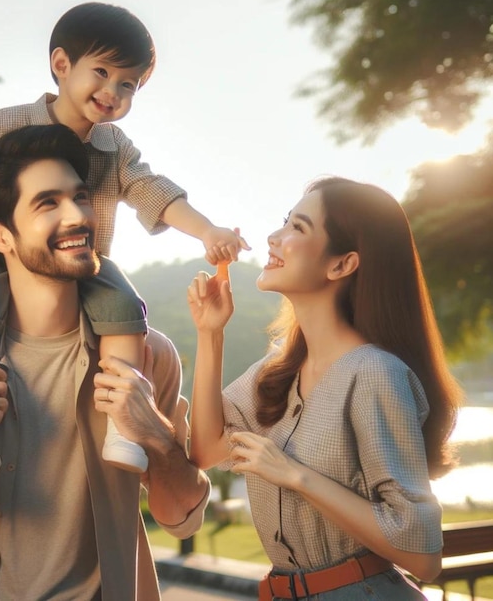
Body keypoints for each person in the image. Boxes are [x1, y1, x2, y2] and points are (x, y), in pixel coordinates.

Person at [0, 124, 210, 600]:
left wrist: (155, 433)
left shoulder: (149, 355)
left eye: (81, 197)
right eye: (47, 203)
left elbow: (181, 516)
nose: (77, 216)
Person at [0, 0, 249, 495]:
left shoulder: (115, 147)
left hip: (83, 264)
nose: (112, 92)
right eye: (101, 73)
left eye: (127, 84)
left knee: (126, 306)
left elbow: (154, 191)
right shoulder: (9, 123)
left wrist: (209, 231)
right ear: (62, 66)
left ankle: (124, 426)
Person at [187, 176, 464, 600]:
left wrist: (296, 475)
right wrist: (210, 333)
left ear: (342, 264)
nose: (273, 237)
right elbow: (206, 451)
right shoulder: (278, 370)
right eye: (284, 222)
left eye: (298, 228)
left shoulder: (373, 372)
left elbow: (424, 558)